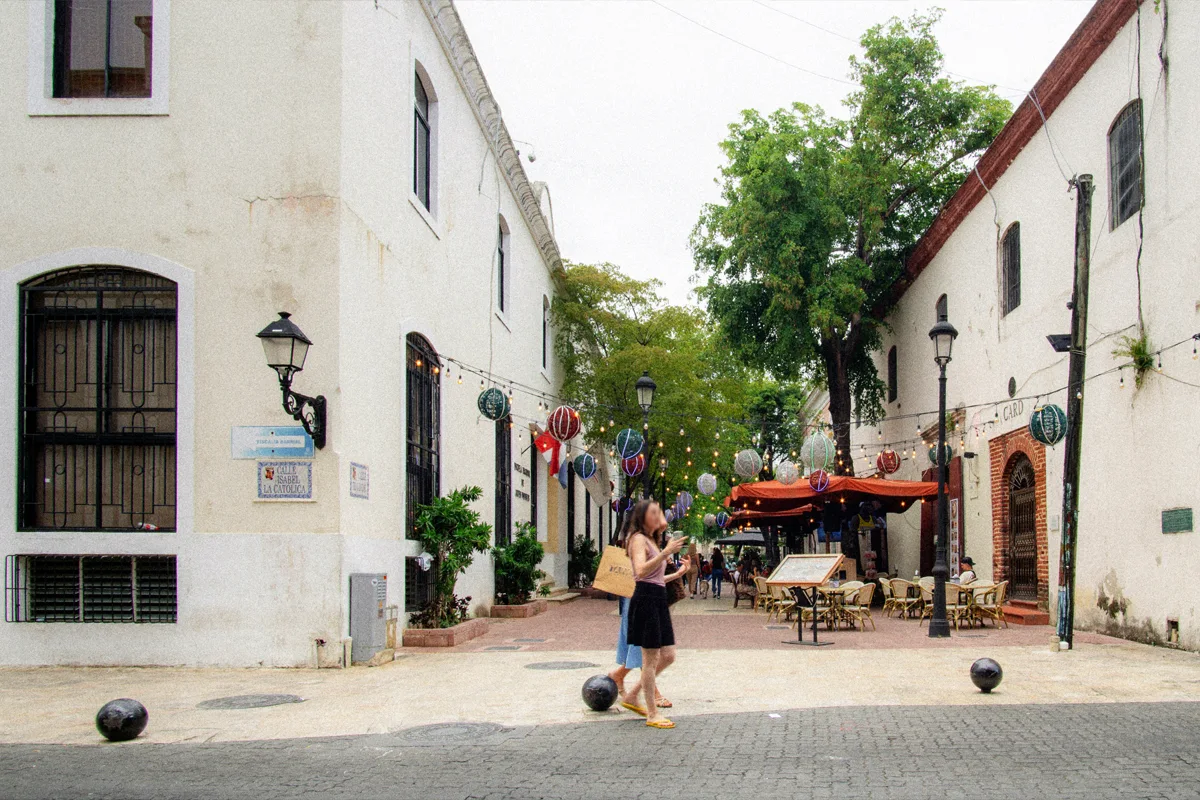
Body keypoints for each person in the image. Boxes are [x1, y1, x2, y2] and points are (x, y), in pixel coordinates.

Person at [623, 499, 689, 729]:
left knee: (668, 655)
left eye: (658, 511)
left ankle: (632, 695)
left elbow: (656, 578)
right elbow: (640, 571)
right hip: (646, 599)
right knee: (649, 660)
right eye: (653, 512)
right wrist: (666, 553)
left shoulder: (651, 540)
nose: (658, 515)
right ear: (642, 517)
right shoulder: (638, 539)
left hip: (657, 597)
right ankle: (652, 713)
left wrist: (679, 572)